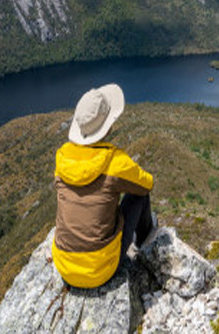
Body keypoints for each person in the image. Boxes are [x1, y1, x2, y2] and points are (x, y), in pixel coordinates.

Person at [52, 83, 155, 289]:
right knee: (139, 196)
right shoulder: (114, 162)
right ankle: (146, 244)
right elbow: (147, 184)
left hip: (64, 266)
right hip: (101, 270)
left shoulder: (63, 158)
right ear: (108, 125)